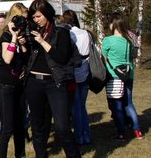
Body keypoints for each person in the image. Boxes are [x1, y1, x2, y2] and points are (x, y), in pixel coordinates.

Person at [24, 0, 88, 158]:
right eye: (33, 16)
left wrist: (42, 41)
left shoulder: (61, 32)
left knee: (61, 128)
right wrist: (22, 41)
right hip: (34, 83)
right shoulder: (31, 32)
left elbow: (61, 57)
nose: (36, 20)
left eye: (39, 16)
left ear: (48, 14)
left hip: (55, 84)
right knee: (38, 128)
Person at [0, 3, 35, 158]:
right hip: (4, 86)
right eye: (22, 19)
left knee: (20, 126)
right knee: (7, 127)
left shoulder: (23, 36)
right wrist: (14, 37)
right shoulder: (6, 35)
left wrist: (24, 44)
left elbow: (25, 57)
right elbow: (7, 58)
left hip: (19, 85)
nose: (24, 22)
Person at [102, 12, 143, 141]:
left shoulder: (108, 40)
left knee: (117, 105)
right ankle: (137, 131)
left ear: (113, 24)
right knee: (129, 103)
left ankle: (121, 133)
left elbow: (103, 58)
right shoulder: (129, 40)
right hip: (128, 74)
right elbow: (133, 55)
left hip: (114, 76)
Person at [60, 9, 92, 145]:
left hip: (73, 73)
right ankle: (86, 135)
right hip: (85, 71)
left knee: (75, 107)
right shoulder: (86, 33)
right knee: (82, 106)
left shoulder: (69, 34)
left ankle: (79, 136)